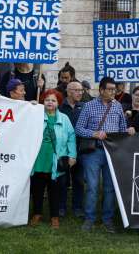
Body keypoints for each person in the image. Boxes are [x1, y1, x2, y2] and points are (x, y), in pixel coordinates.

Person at [75, 77, 127, 233]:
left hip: (112, 152)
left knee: (110, 188)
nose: (113, 92)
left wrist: (127, 131)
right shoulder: (89, 106)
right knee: (92, 187)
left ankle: (107, 219)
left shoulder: (118, 107)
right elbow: (78, 129)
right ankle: (89, 218)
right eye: (110, 89)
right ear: (101, 90)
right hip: (94, 152)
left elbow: (123, 128)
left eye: (115, 89)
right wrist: (94, 134)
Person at [30, 89, 76, 229]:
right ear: (42, 102)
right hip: (38, 158)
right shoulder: (35, 115)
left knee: (55, 190)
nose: (50, 102)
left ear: (58, 103)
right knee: (37, 189)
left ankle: (54, 217)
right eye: (47, 100)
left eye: (53, 100)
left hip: (56, 160)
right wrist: (29, 106)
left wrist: (72, 155)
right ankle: (37, 214)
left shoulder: (64, 118)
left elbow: (71, 137)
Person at [58, 80, 86, 218]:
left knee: (79, 180)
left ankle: (77, 207)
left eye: (81, 90)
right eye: (77, 90)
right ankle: (61, 207)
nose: (80, 93)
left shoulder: (85, 106)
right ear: (68, 91)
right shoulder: (59, 107)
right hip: (63, 149)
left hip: (80, 148)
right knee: (62, 179)